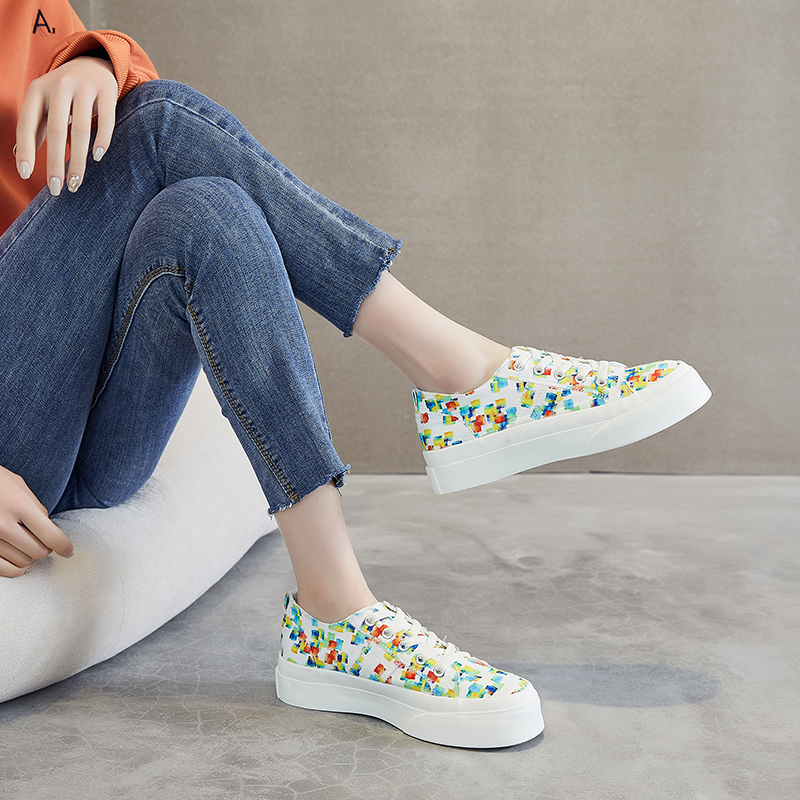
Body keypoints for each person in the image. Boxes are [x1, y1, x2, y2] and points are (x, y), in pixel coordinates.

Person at [0, 1, 710, 749]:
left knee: (208, 213)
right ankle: (461, 375)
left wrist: (94, 61)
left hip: (64, 407)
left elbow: (83, 72)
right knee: (157, 123)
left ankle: (334, 613)